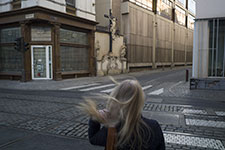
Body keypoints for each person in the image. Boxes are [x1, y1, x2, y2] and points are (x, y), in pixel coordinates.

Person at [79, 79, 165, 150]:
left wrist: (95, 119)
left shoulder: (113, 128)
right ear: (140, 102)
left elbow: (93, 138)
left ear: (116, 98)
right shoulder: (153, 127)